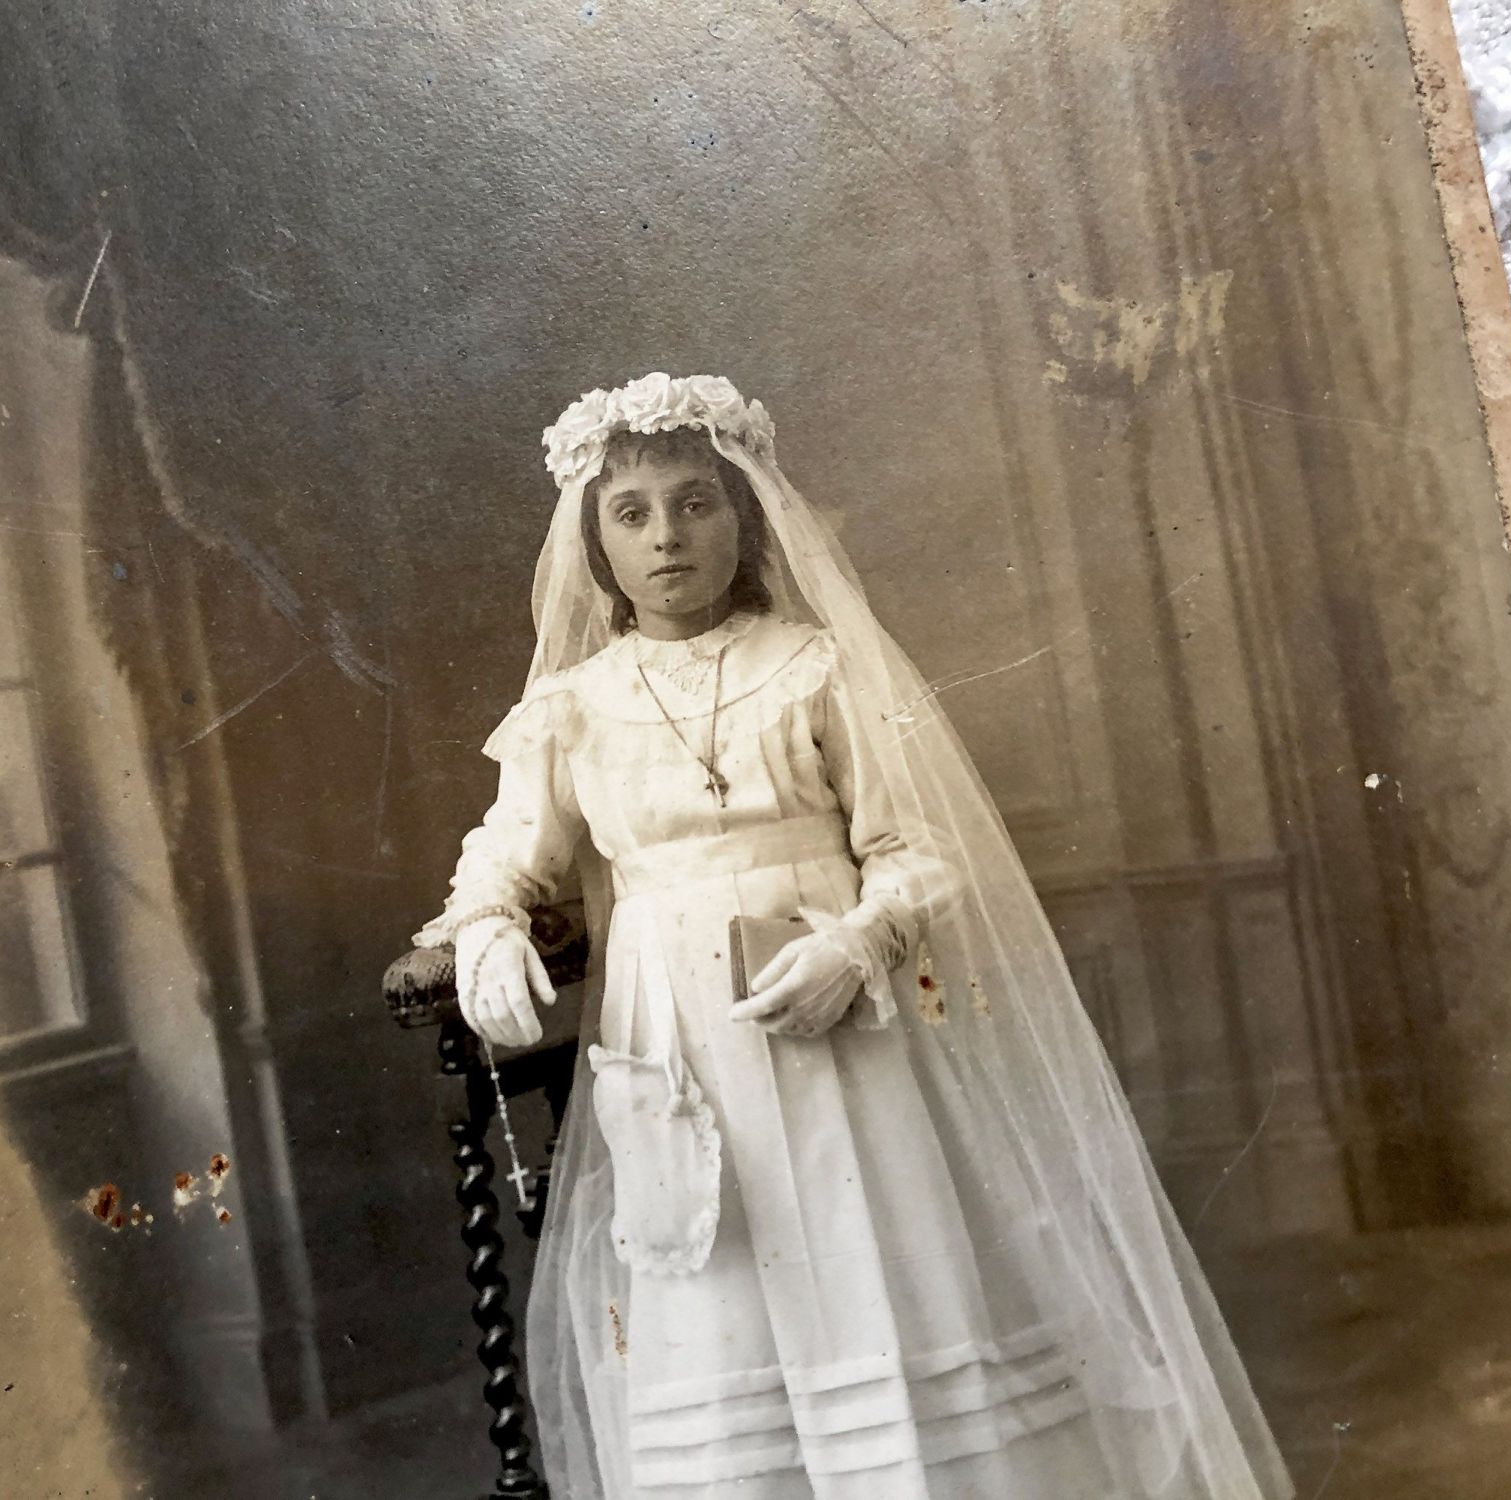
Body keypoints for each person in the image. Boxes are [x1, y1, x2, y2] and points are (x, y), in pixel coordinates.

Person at [414, 373, 1293, 1499]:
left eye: (696, 503)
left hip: (839, 1020)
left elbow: (918, 844)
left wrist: (861, 941)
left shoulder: (816, 666)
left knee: (874, 1274)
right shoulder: (573, 706)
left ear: (745, 515)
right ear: (593, 542)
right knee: (720, 1285)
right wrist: (485, 921)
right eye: (629, 514)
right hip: (679, 1033)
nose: (667, 537)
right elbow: (511, 843)